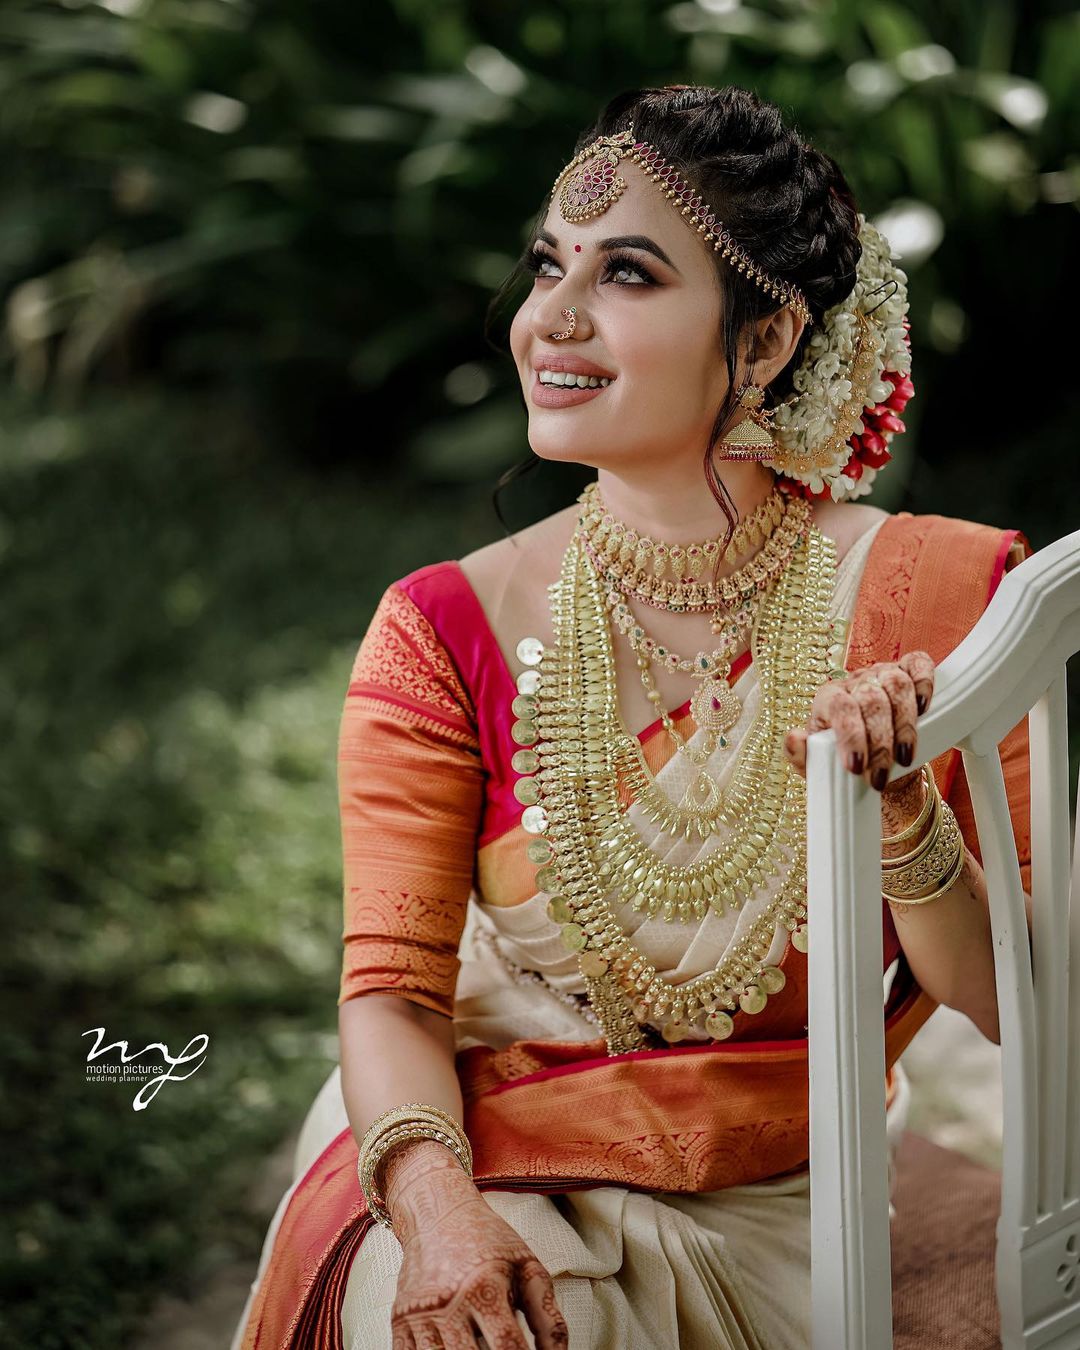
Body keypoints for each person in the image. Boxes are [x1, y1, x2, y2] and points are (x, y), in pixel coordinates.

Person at [233, 84, 1033, 1350]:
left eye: (629, 275)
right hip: (484, 1150)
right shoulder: (441, 629)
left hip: (793, 1205)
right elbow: (391, 993)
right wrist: (439, 1216)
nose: (551, 317)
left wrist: (897, 804)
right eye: (550, 265)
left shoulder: (929, 601)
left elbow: (1008, 996)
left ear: (765, 344)